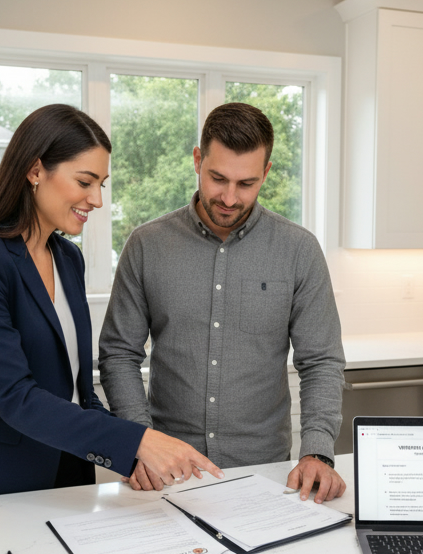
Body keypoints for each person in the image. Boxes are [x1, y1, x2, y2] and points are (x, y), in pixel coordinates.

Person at [0, 104, 222, 504]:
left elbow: (78, 393)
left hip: (65, 482)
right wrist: (138, 440)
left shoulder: (67, 258)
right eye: (84, 181)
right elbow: (14, 395)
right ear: (36, 170)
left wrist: (131, 457)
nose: (96, 199)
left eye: (101, 184)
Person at [99, 102, 347, 503]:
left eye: (246, 183)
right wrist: (138, 442)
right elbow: (118, 354)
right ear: (198, 160)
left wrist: (317, 451)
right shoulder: (147, 245)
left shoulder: (298, 250)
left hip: (264, 472)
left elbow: (321, 360)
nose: (229, 197)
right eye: (217, 178)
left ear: (265, 173)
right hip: (167, 472)